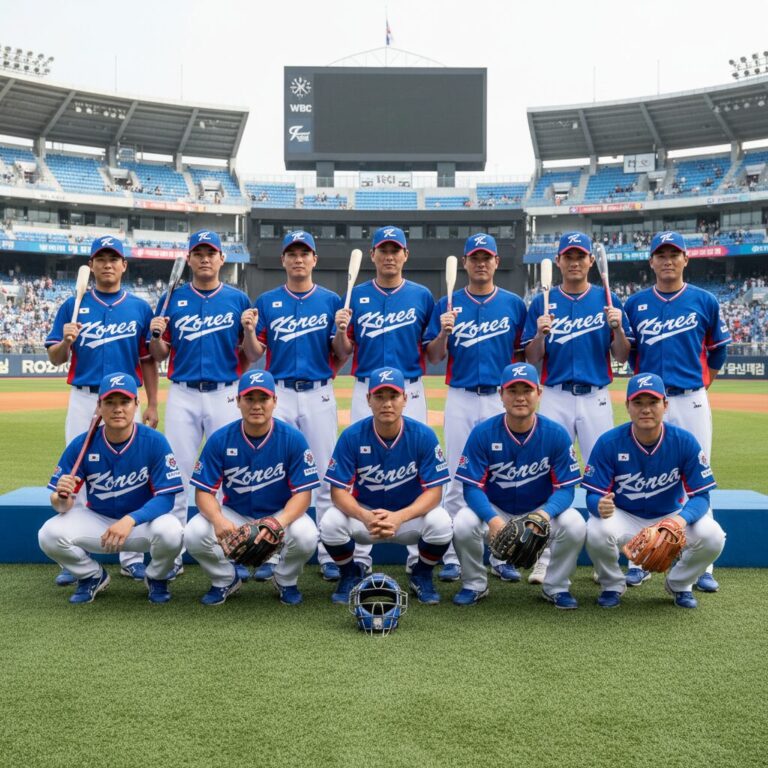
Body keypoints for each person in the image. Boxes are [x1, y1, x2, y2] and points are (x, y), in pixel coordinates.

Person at [45, 235, 159, 586]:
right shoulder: (73, 305)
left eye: (114, 259)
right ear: (91, 266)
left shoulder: (139, 307)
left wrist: (153, 402)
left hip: (126, 400)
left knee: (134, 474)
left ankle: (131, 555)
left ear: (124, 265)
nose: (107, 264)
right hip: (84, 396)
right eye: (100, 259)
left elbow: (148, 360)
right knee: (77, 473)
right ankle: (76, 556)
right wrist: (66, 341)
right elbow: (55, 357)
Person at [623, 231, 730, 592]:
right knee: (642, 475)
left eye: (674, 253)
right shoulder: (635, 304)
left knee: (699, 475)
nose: (667, 260)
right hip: (649, 402)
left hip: (690, 398)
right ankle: (639, 557)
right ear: (651, 261)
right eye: (660, 254)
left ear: (686, 259)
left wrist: (701, 383)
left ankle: (703, 566)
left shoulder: (705, 300)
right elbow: (629, 355)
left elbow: (718, 350)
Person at [523, 231, 631, 585]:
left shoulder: (607, 299)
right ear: (558, 262)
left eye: (580, 256)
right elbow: (532, 358)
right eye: (567, 256)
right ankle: (544, 556)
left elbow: (622, 356)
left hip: (596, 395)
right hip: (553, 394)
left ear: (589, 262)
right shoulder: (543, 300)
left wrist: (617, 328)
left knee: (604, 474)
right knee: (547, 475)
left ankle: (605, 562)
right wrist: (540, 334)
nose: (574, 262)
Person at [241, 230, 349, 582]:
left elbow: (342, 353)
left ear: (314, 260)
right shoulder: (268, 300)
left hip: (319, 392)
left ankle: (327, 551)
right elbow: (254, 354)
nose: (299, 258)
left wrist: (341, 332)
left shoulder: (332, 300)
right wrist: (248, 332)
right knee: (275, 474)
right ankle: (269, 550)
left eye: (305, 253)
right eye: (292, 253)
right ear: (284, 260)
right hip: (279, 394)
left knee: (323, 473)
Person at [148, 229, 253, 581]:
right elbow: (160, 353)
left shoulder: (238, 299)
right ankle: (173, 551)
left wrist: (250, 331)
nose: (205, 258)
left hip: (226, 391)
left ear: (223, 259)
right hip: (183, 393)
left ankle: (231, 543)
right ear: (189, 259)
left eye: (212, 253)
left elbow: (251, 355)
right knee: (176, 473)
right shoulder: (172, 299)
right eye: (199, 252)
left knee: (230, 473)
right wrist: (156, 335)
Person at [424, 232, 527, 583]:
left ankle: (502, 554)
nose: (481, 263)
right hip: (462, 396)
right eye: (475, 258)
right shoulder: (447, 303)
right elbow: (434, 357)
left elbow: (525, 356)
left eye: (487, 257)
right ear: (465, 263)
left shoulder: (514, 304)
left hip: (502, 399)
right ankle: (452, 556)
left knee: (502, 479)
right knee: (456, 476)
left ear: (496, 262)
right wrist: (443, 334)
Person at [38, 373, 184, 604]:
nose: (118, 409)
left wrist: (131, 519)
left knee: (172, 531)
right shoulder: (83, 443)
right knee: (48, 534)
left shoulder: (154, 441)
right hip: (99, 522)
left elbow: (166, 498)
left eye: (125, 402)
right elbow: (62, 505)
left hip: (140, 525)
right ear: (99, 406)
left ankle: (156, 577)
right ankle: (91, 575)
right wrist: (59, 497)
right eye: (110, 402)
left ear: (136, 404)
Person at [583, 373, 725, 609]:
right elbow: (592, 495)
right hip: (626, 516)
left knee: (713, 536)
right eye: (638, 403)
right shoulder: (609, 442)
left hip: (670, 515)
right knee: (595, 529)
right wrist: (598, 504)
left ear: (665, 405)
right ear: (628, 406)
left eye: (653, 402)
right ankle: (612, 584)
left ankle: (680, 584)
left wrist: (680, 520)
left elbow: (701, 496)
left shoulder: (684, 441)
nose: (646, 409)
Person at [452, 363, 585, 607]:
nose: (520, 397)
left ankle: (556, 586)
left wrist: (543, 515)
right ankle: (474, 583)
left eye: (527, 390)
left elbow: (566, 488)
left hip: (540, 509)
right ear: (501, 394)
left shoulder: (555, 433)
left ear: (539, 393)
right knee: (463, 521)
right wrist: (493, 520)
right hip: (496, 509)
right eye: (513, 391)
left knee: (575, 523)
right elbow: (471, 487)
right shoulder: (483, 433)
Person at [185, 370, 320, 606]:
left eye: (263, 399)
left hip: (279, 513)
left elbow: (303, 495)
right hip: (235, 513)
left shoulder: (292, 438)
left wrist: (279, 523)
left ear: (275, 401)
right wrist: (218, 520)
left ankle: (285, 579)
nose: (256, 406)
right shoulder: (221, 439)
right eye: (249, 399)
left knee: (307, 536)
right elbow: (203, 492)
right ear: (238, 402)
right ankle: (224, 579)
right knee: (194, 533)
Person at [319, 367, 453, 605]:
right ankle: (350, 574)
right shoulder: (352, 436)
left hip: (407, 517)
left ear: (405, 399)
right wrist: (365, 516)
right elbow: (338, 492)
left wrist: (400, 517)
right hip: (365, 518)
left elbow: (435, 493)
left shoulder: (423, 435)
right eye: (379, 396)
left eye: (393, 396)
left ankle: (421, 574)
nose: (387, 403)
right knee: (330, 522)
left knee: (442, 522)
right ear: (368, 400)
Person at [334, 226, 434, 424]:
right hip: (367, 389)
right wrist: (341, 331)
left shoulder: (422, 296)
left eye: (395, 251)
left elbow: (432, 351)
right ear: (372, 254)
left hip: (409, 389)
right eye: (383, 251)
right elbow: (342, 351)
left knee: (413, 450)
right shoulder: (354, 296)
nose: (389, 257)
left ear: (405, 254)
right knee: (363, 451)